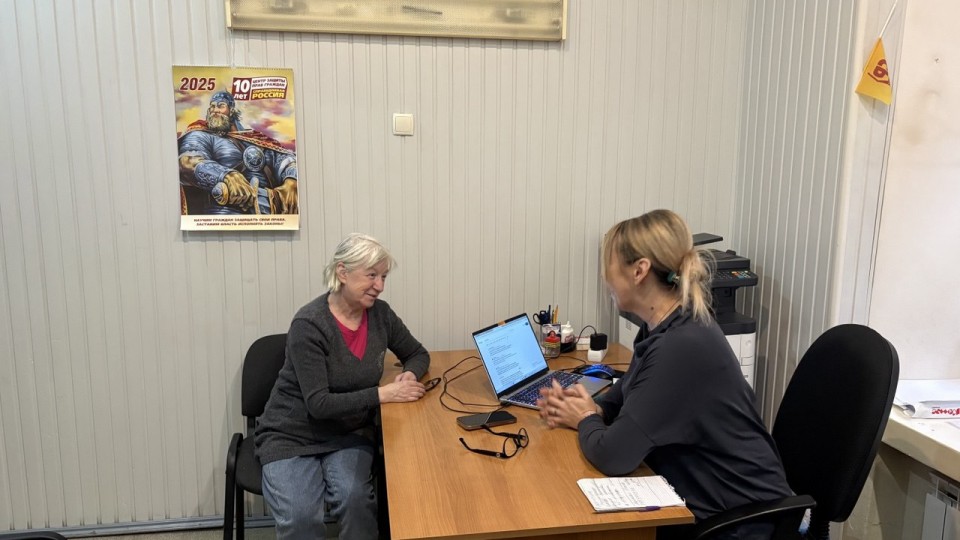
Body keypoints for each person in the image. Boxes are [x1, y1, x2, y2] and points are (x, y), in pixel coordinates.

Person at [537, 209, 792, 540]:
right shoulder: (666, 326)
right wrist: (594, 408)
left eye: (609, 265)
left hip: (740, 523)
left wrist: (585, 418)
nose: (605, 277)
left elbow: (613, 456)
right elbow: (627, 392)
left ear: (639, 270)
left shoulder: (681, 346)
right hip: (710, 502)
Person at [255, 233, 430, 539]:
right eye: (372, 275)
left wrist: (410, 375)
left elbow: (417, 353)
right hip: (291, 434)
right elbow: (319, 404)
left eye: (384, 277)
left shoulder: (381, 315)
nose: (380, 286)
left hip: (349, 433)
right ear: (342, 272)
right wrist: (383, 394)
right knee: (300, 518)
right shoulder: (310, 324)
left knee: (356, 501)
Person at [178, 90, 298, 215]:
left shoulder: (255, 139)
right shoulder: (200, 135)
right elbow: (187, 162)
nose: (215, 110)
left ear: (231, 110)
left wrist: (292, 181)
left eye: (220, 106)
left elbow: (285, 159)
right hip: (223, 216)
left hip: (268, 217)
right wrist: (226, 175)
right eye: (212, 107)